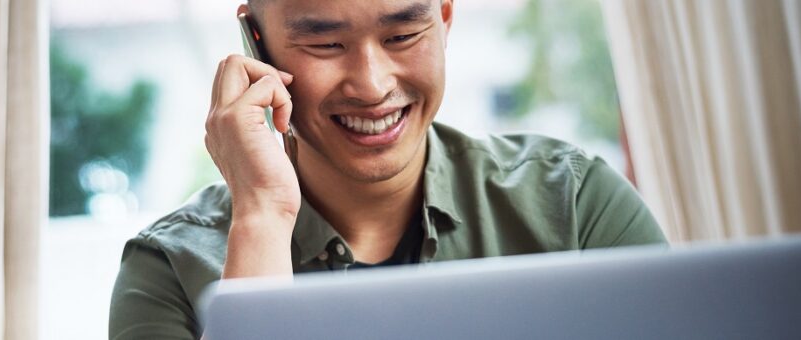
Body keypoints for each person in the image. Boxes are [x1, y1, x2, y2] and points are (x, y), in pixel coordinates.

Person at [109, 0, 667, 338]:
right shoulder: (170, 271)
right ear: (258, 45)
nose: (372, 85)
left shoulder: (575, 206)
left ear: (444, 18)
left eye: (402, 36)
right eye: (326, 43)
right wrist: (262, 217)